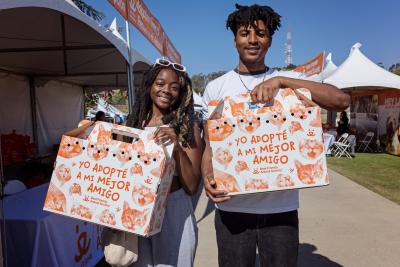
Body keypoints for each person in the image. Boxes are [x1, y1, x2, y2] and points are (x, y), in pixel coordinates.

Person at [201, 4, 350, 267]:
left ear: (270, 39)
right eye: (245, 33)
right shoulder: (216, 87)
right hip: (231, 209)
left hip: (280, 210)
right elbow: (209, 144)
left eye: (261, 33)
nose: (253, 40)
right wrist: (206, 176)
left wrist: (282, 82)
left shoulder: (289, 79)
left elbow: (340, 100)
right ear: (234, 38)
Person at [125, 58, 202, 267]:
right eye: (160, 84)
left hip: (173, 209)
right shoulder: (133, 123)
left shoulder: (188, 127)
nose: (166, 90)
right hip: (138, 207)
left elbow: (193, 186)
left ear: (181, 92)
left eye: (174, 87)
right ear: (150, 85)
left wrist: (176, 147)